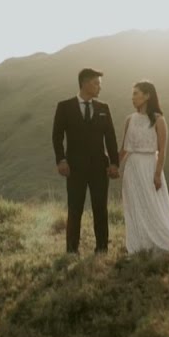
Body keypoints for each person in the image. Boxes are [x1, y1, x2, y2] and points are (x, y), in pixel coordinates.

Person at [119, 81, 169, 254]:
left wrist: (157, 174)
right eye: (132, 94)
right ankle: (139, 245)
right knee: (135, 205)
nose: (132, 97)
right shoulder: (129, 119)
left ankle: (160, 241)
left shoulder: (159, 120)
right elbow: (123, 149)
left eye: (136, 93)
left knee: (152, 205)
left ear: (147, 95)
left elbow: (162, 150)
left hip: (149, 166)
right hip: (132, 168)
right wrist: (114, 166)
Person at [52, 68, 120, 254]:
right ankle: (72, 250)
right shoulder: (64, 107)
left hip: (99, 167)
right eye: (96, 83)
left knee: (100, 209)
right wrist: (61, 160)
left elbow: (110, 138)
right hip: (74, 168)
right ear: (84, 83)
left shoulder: (103, 108)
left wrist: (114, 163)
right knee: (75, 209)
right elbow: (57, 136)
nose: (99, 87)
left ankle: (102, 249)